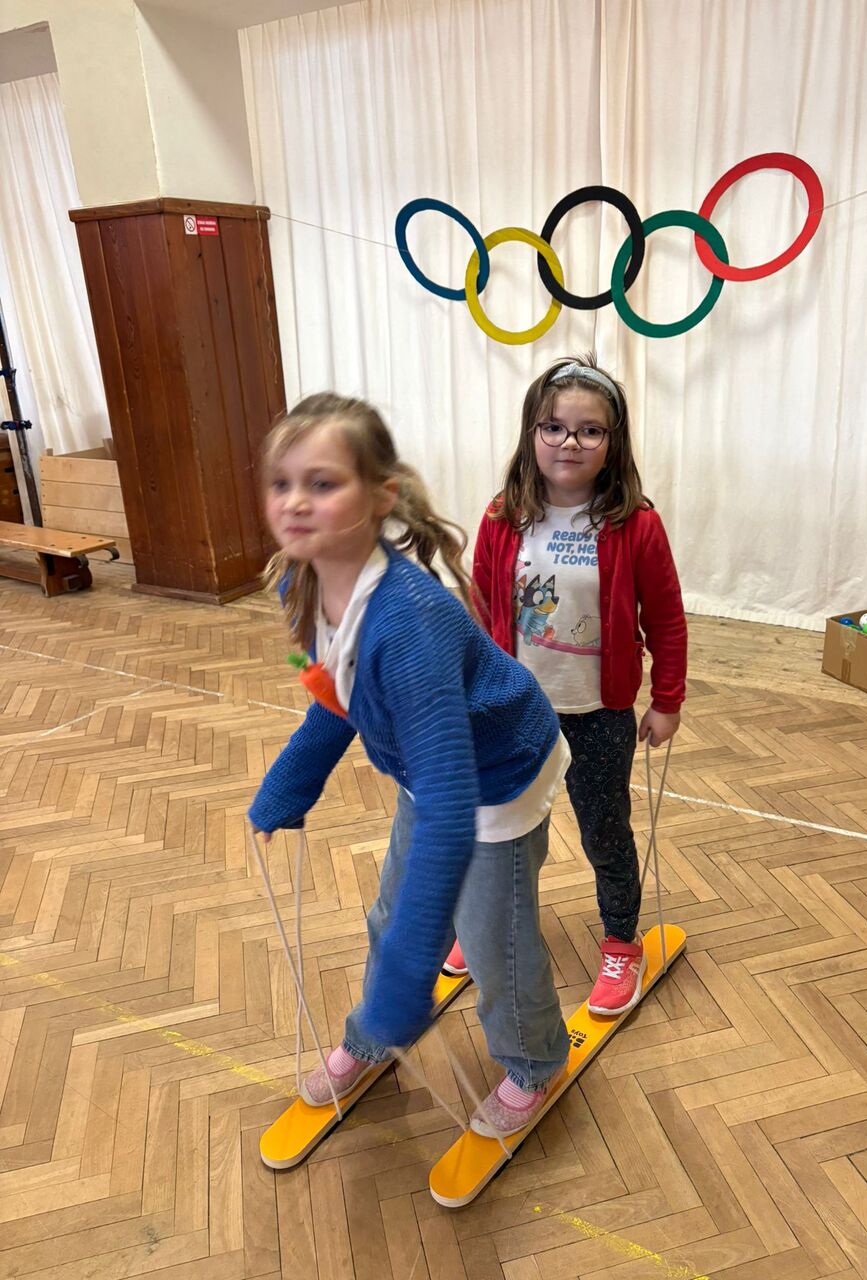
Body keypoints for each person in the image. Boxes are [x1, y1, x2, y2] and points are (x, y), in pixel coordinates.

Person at [249, 392, 571, 1137]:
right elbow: (336, 694)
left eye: (323, 483)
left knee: (493, 945)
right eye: (280, 483)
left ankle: (534, 1062)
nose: (295, 502)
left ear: (380, 496)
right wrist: (291, 783)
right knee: (391, 916)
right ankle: (371, 1038)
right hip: (433, 771)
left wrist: (406, 982)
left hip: (496, 777)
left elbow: (453, 813)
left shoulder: (408, 624)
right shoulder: (302, 581)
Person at [444, 356, 687, 1016]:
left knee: (604, 833)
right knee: (501, 831)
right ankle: (485, 925)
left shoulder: (635, 524)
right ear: (532, 433)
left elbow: (666, 617)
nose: (569, 443)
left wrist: (667, 700)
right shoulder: (504, 516)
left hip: (597, 713)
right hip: (514, 710)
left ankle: (621, 943)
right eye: (553, 427)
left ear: (613, 443)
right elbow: (481, 608)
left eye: (589, 430)